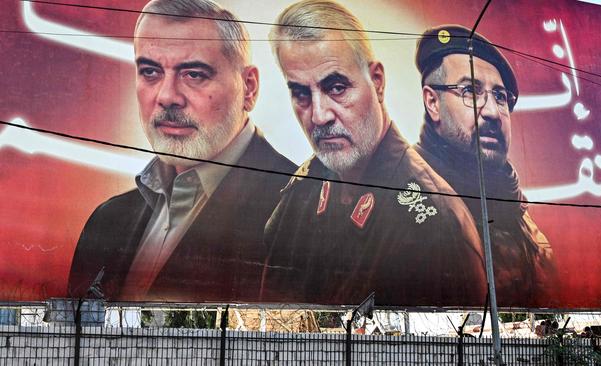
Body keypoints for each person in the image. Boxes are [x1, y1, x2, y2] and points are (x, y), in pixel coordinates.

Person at [259, 0, 487, 307]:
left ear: (377, 82)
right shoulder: (300, 193)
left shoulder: (436, 225)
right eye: (301, 94)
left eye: (337, 87)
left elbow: (445, 348)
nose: (319, 116)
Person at [68, 0, 296, 302]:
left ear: (249, 88)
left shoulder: (301, 210)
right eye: (150, 71)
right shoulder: (106, 221)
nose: (166, 96)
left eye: (194, 74)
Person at [414, 25, 555, 307]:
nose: (491, 111)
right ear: (433, 102)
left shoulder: (524, 224)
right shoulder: (407, 199)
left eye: (500, 97)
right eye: (470, 91)